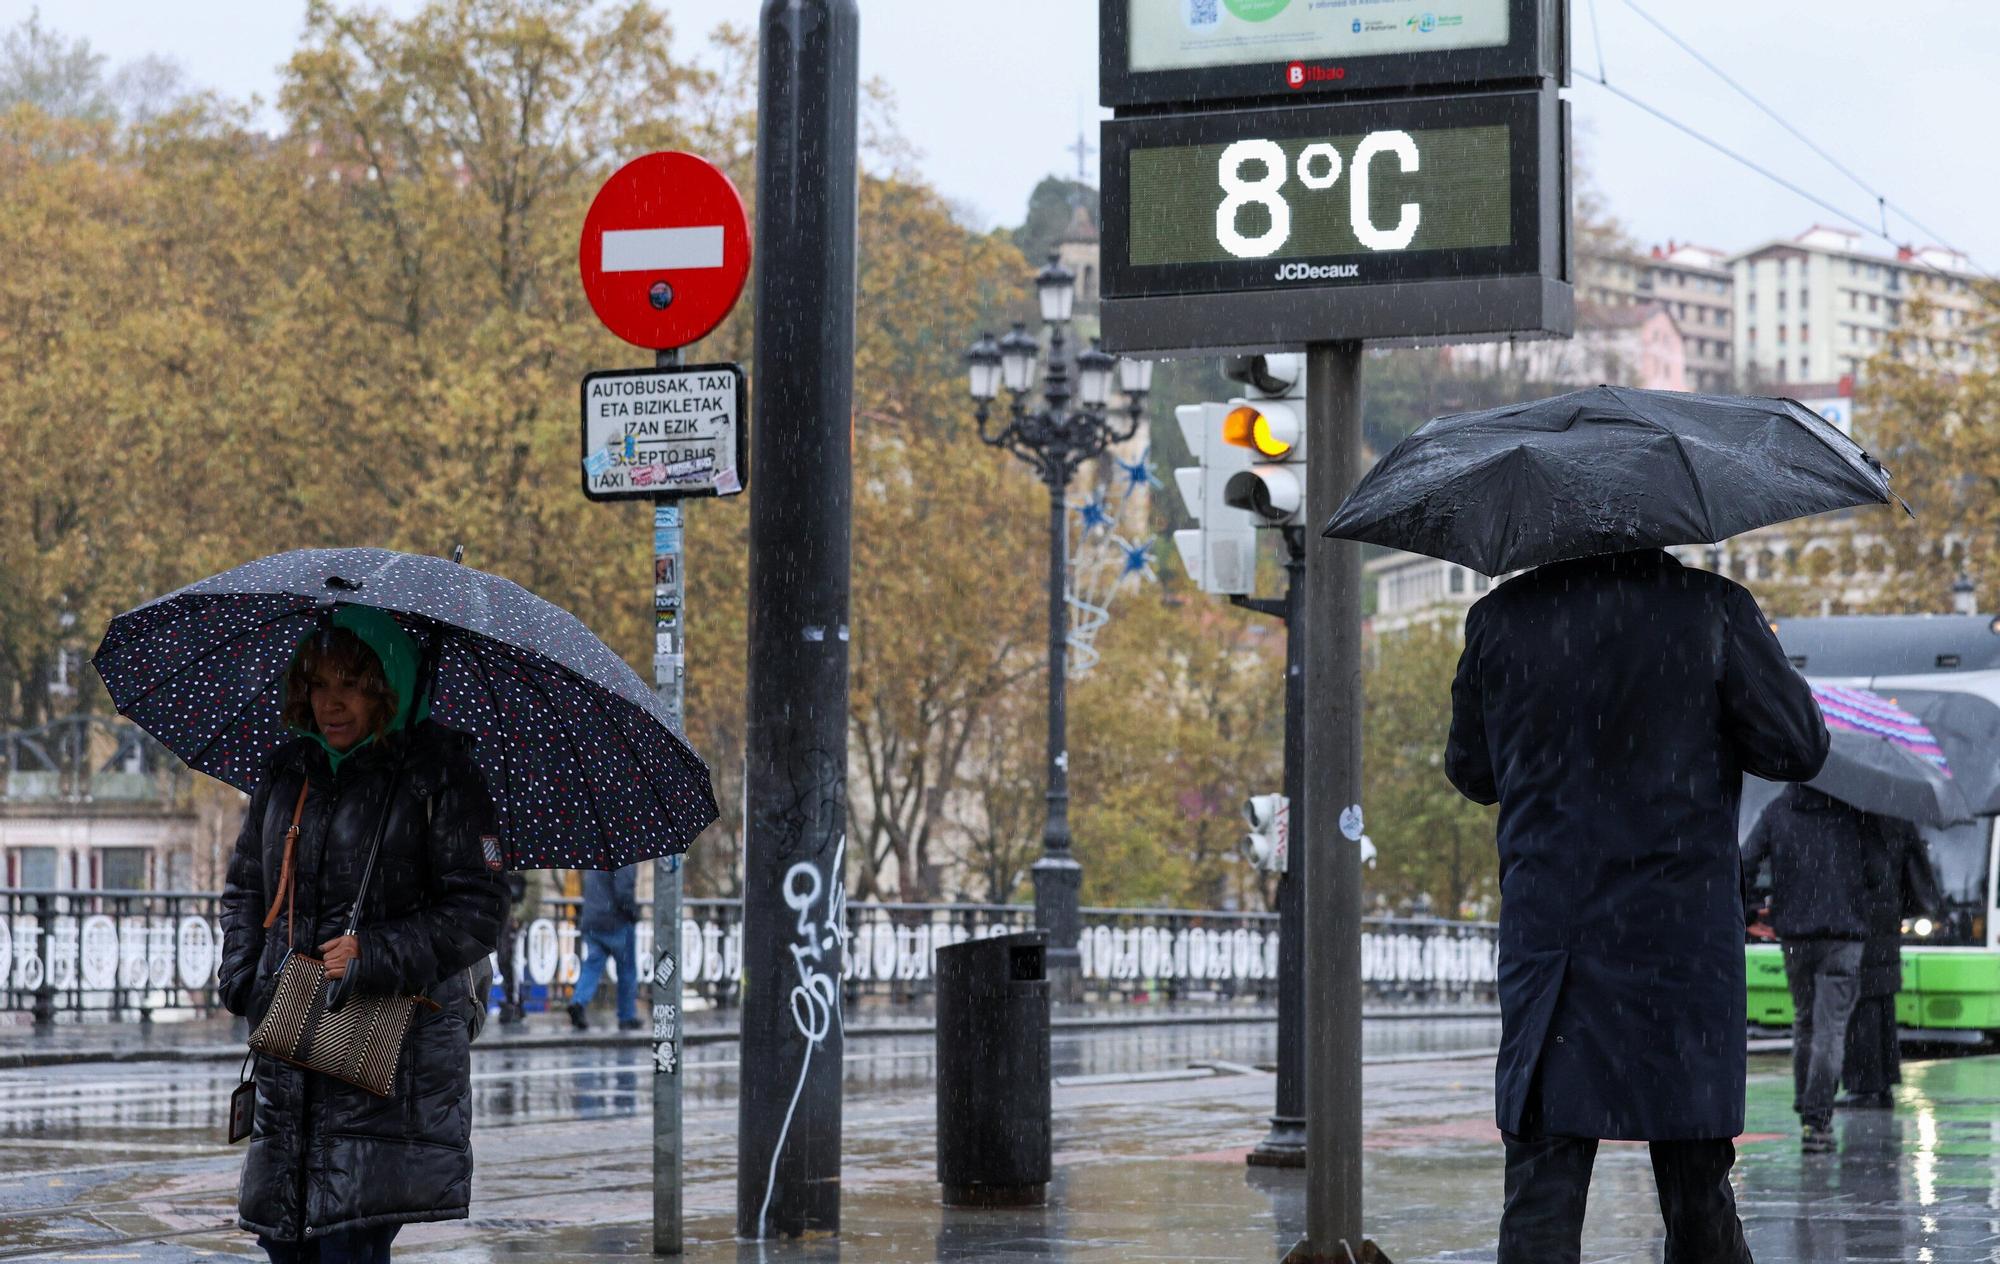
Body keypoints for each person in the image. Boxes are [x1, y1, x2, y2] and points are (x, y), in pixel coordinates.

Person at [1447, 549, 1827, 1264]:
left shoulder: (1502, 618)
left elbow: (1472, 771)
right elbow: (1800, 747)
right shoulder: (1712, 610)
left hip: (1555, 941)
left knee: (1541, 1187)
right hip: (1676, 941)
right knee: (1697, 1188)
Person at [218, 608, 506, 1263]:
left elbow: (478, 911)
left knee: (350, 1241)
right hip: (290, 1057)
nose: (333, 702)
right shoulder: (287, 771)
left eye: (352, 683)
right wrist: (242, 975)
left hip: (383, 1063)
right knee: (284, 1243)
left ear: (388, 689)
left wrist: (374, 951)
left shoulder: (438, 775)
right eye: (319, 684)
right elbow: (245, 887)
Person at [1741, 785, 1889, 1149]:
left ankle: (1807, 1107)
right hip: (1844, 934)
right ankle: (1818, 1120)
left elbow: (1744, 861)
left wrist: (1752, 908)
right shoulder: (1854, 811)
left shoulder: (1779, 808)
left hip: (1796, 935)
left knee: (1804, 1021)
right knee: (1831, 1029)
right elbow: (1879, 871)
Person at [1840, 811, 1941, 1108]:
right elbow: (1918, 879)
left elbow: (1863, 872)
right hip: (1887, 923)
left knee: (1863, 1006)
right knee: (1881, 1004)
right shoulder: (1899, 819)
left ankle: (1865, 1088)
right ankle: (1883, 1083)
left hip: (1862, 924)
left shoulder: (1858, 820)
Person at [568, 862, 642, 1032]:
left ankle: (578, 1002)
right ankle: (626, 1016)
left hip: (592, 919)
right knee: (627, 971)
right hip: (616, 922)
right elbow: (623, 892)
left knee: (592, 966)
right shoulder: (623, 854)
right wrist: (633, 914)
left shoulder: (596, 852)